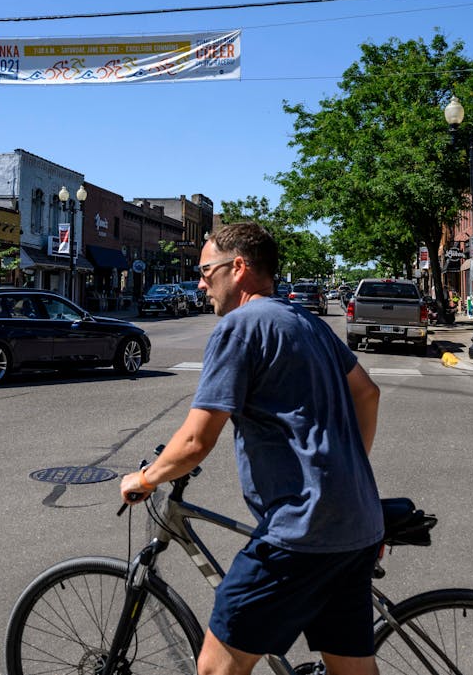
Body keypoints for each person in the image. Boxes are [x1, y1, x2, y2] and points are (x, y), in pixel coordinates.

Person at [120, 222, 384, 675]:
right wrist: (343, 474)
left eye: (206, 270)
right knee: (352, 669)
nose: (201, 283)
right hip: (358, 522)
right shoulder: (307, 322)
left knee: (216, 668)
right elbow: (368, 392)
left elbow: (196, 440)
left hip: (301, 531)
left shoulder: (241, 327)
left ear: (237, 267)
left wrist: (144, 478)